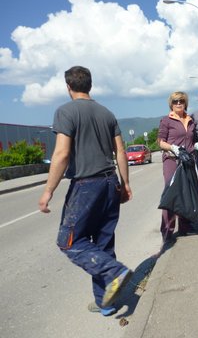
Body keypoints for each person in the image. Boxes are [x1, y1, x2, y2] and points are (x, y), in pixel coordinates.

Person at [38, 66, 133, 317]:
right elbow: (120, 152)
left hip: (86, 185)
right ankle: (105, 303)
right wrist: (125, 184)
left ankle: (114, 272)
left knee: (68, 242)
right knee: (103, 243)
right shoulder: (107, 113)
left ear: (68, 87)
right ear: (89, 85)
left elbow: (61, 153)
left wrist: (48, 191)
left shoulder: (65, 111)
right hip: (110, 182)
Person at [157, 91, 197, 241]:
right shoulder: (166, 120)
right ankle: (167, 231)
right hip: (172, 160)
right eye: (175, 101)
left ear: (185, 103)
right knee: (171, 192)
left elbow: (193, 140)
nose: (178, 103)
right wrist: (173, 148)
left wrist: (196, 146)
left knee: (186, 193)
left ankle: (185, 227)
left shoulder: (190, 120)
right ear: (171, 104)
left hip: (187, 161)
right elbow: (160, 141)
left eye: (181, 101)